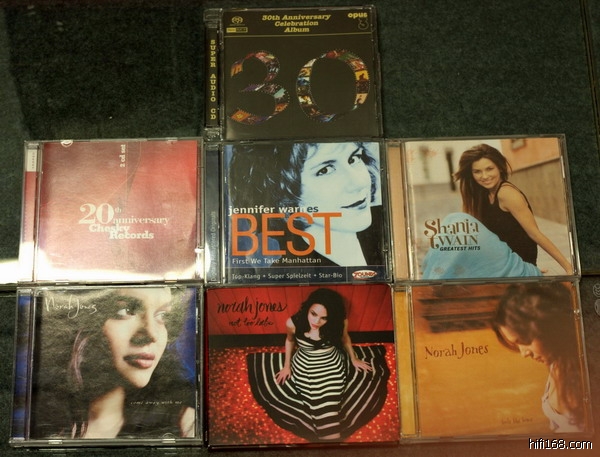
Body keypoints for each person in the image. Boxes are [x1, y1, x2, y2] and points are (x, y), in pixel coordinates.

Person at [31, 287, 196, 440]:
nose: (152, 334)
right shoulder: (32, 422)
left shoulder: (187, 425)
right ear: (81, 321)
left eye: (162, 315)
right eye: (125, 311)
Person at [246, 288, 389, 442]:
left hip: (332, 362)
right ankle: (330, 441)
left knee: (331, 400)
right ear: (307, 308)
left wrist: (353, 359)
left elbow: (345, 339)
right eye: (313, 314)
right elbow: (289, 341)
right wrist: (287, 366)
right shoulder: (293, 323)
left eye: (323, 318)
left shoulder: (340, 323)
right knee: (313, 398)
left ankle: (330, 441)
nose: (316, 322)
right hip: (304, 363)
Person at [227, 141, 384, 267]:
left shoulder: (390, 224)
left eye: (353, 159)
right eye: (325, 170)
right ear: (281, 193)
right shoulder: (288, 275)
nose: (358, 182)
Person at [454, 143, 571, 274]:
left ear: (500, 167)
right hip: (500, 258)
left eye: (489, 169)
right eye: (477, 171)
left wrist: (567, 267)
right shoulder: (482, 194)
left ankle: (527, 270)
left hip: (514, 261)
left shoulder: (507, 194)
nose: (485, 176)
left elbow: (535, 234)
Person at [492, 283, 587, 433]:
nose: (523, 353)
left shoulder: (587, 373)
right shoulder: (556, 363)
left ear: (546, 328)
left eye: (523, 341)